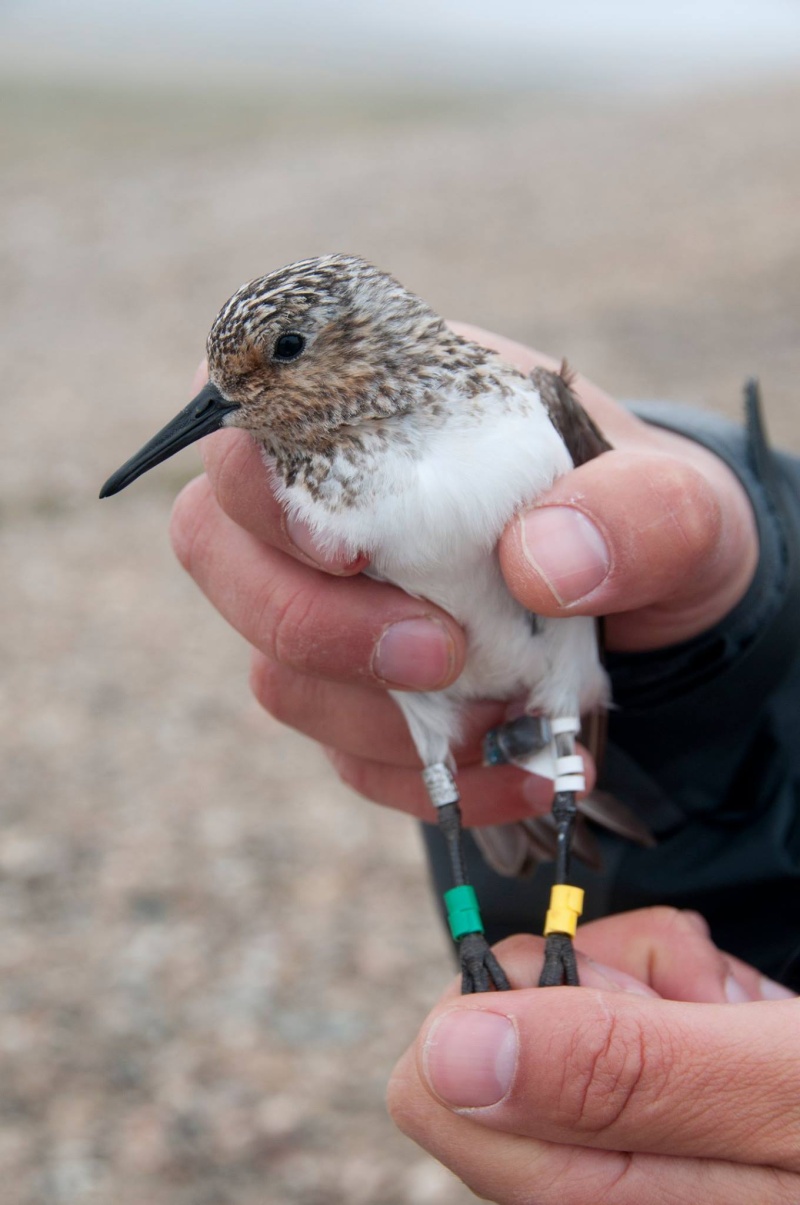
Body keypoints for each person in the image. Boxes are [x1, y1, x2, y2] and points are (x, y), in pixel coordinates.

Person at [169, 325, 799, 1202]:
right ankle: (489, 941)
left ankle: (550, 938)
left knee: (512, 796)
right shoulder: (300, 463)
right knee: (468, 785)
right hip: (543, 722)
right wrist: (716, 644)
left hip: (567, 708)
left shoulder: (519, 399)